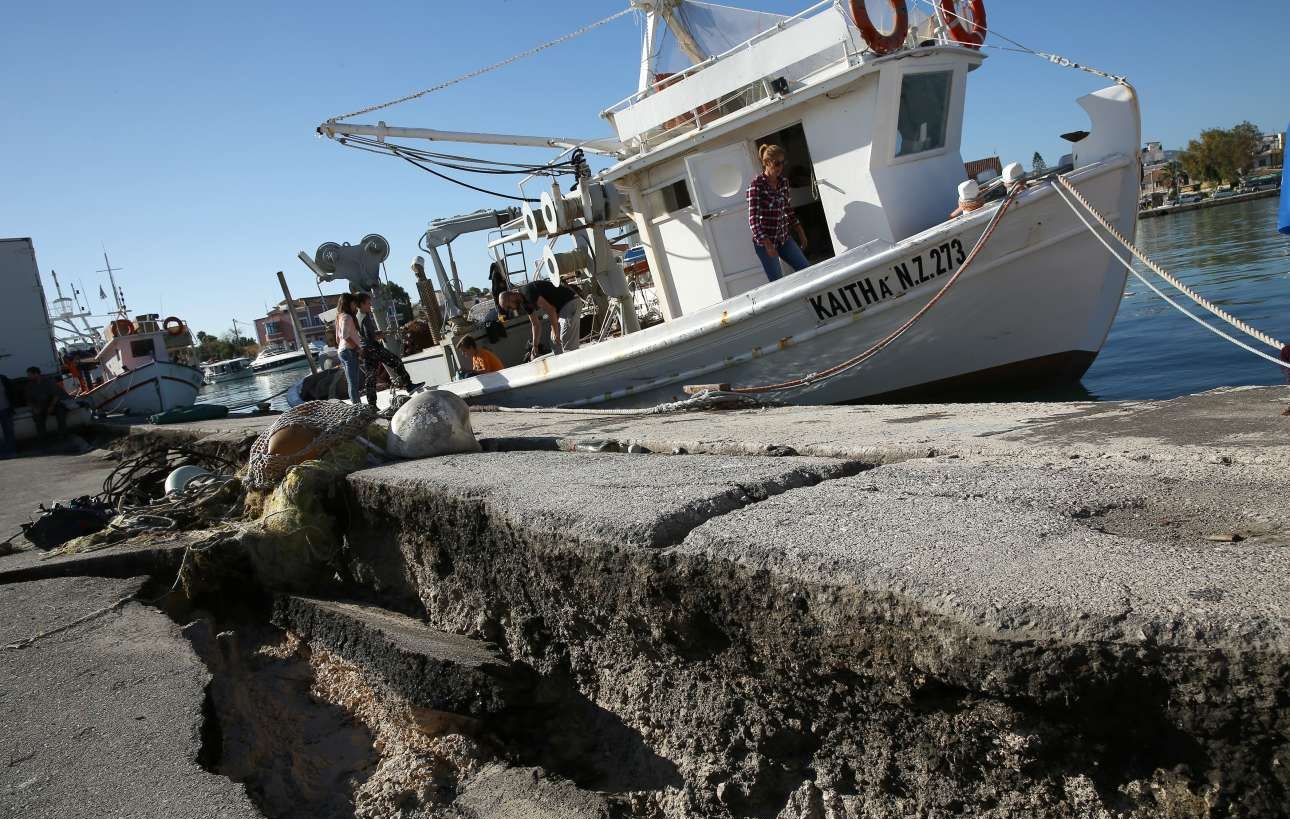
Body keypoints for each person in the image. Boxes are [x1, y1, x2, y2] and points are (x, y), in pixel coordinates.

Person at [747, 143, 810, 282]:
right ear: (766, 163)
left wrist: (801, 232)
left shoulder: (784, 182)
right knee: (777, 281)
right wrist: (768, 245)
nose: (780, 167)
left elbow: (787, 209)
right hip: (765, 243)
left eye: (783, 163)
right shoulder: (756, 186)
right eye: (776, 163)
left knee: (806, 270)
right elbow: (753, 221)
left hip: (783, 238)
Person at [354, 292, 421, 407]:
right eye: (368, 303)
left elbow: (363, 334)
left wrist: (377, 333)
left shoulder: (358, 317)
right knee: (396, 362)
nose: (370, 305)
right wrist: (379, 335)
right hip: (373, 348)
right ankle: (409, 385)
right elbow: (369, 336)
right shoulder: (365, 317)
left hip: (366, 350)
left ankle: (372, 404)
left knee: (370, 377)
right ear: (362, 304)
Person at [497, 280, 584, 356]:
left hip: (570, 302)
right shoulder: (524, 303)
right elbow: (535, 324)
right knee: (554, 343)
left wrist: (555, 331)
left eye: (508, 307)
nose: (511, 310)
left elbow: (551, 310)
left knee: (566, 342)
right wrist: (535, 345)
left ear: (511, 297)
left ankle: (575, 364)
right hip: (561, 310)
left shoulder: (527, 292)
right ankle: (563, 365)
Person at [335, 293, 363, 405]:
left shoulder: (339, 317)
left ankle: (355, 404)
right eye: (354, 303)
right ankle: (357, 405)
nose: (355, 306)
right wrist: (357, 348)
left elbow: (338, 339)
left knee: (351, 381)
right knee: (353, 381)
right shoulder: (347, 317)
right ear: (348, 303)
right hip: (349, 351)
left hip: (342, 352)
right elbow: (345, 336)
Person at [25, 366, 67, 440]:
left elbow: (56, 395)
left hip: (53, 404)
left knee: (61, 413)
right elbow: (29, 400)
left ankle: (62, 434)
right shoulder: (30, 385)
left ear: (36, 374)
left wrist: (51, 406)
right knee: (37, 418)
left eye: (30, 375)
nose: (28, 377)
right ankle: (43, 437)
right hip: (40, 406)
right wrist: (34, 408)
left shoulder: (48, 381)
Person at [0, 373, 15, 458]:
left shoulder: (3, 379)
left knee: (8, 432)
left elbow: (11, 392)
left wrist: (12, 406)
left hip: (5, 409)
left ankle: (11, 451)